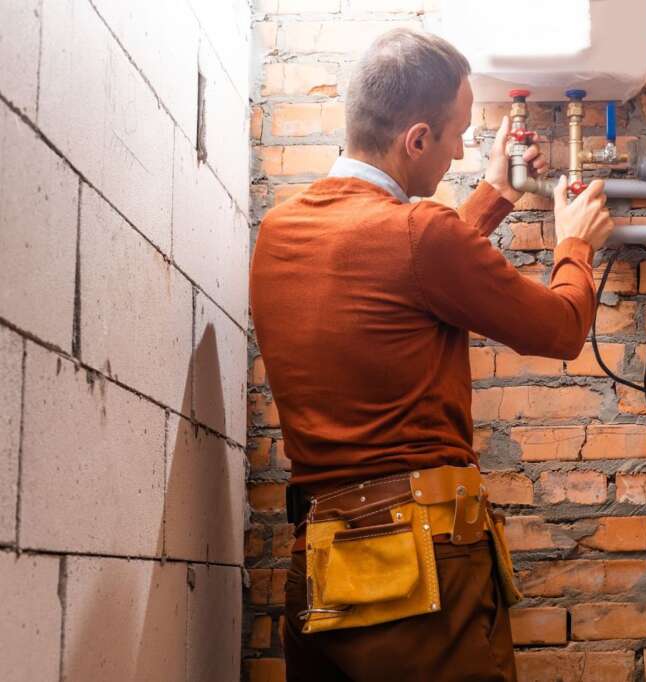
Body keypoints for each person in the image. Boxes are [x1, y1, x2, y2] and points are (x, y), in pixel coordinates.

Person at [250, 27, 613, 681]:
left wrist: (494, 195)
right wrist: (575, 244)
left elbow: (398, 274)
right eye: (457, 135)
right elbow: (561, 329)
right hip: (420, 570)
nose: (460, 151)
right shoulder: (420, 233)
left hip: (322, 568)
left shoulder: (281, 230)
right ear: (416, 140)